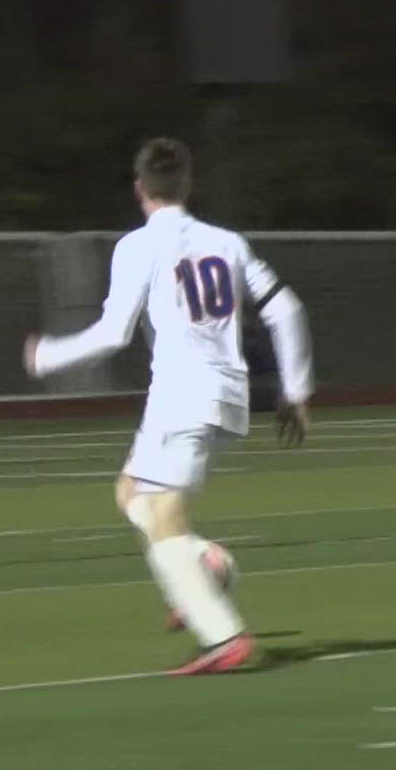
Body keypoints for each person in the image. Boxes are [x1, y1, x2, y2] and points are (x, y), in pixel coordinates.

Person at [24, 138, 313, 675]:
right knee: (130, 489)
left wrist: (48, 356)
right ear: (186, 185)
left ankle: (222, 636)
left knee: (162, 522)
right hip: (227, 394)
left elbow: (113, 334)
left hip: (183, 394)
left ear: (140, 190)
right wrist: (295, 392)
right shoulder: (227, 241)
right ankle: (205, 560)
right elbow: (287, 309)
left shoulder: (137, 246)